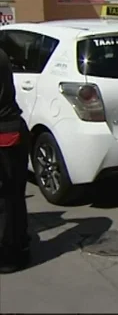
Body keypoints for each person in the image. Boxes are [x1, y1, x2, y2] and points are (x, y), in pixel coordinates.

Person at [0, 45, 31, 273]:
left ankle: (9, 254)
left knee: (7, 197)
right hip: (11, 130)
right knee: (13, 196)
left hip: (5, 134)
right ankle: (15, 248)